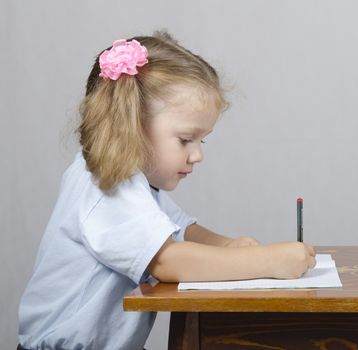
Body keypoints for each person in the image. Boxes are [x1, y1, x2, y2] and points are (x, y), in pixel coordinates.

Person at [17, 31, 316, 350]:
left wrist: (228, 244)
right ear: (131, 126)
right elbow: (165, 260)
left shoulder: (136, 182)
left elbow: (182, 229)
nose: (198, 154)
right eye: (186, 139)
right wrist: (266, 261)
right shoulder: (105, 184)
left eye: (203, 140)